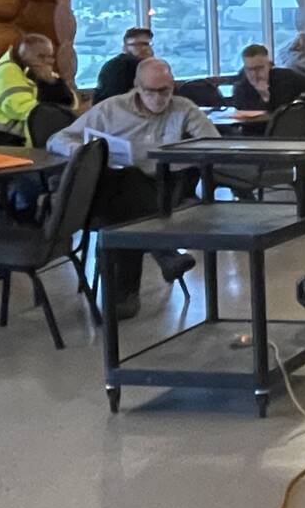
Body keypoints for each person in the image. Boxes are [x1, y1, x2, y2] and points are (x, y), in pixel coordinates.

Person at [48, 58, 212, 321]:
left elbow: (213, 146)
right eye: (151, 91)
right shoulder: (111, 109)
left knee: (123, 211)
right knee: (125, 185)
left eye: (165, 91)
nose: (159, 98)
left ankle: (124, 295)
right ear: (137, 86)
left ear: (173, 86)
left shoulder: (183, 109)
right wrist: (89, 153)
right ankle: (163, 253)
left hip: (160, 189)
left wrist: (178, 156)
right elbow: (57, 139)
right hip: (108, 191)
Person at [0, 32, 64, 146]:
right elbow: (24, 110)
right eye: (41, 56)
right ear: (24, 55)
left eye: (50, 56)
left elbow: (68, 101)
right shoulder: (7, 73)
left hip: (13, 136)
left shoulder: (33, 71)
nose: (48, 61)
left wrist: (52, 82)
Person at [231, 43, 305, 113]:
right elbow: (248, 120)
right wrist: (264, 98)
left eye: (260, 68)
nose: (255, 74)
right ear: (245, 69)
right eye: (250, 69)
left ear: (269, 66)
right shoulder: (241, 87)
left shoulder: (285, 78)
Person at [94, 27, 153, 102]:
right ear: (125, 48)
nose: (144, 48)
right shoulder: (118, 67)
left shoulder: (145, 66)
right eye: (137, 45)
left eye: (147, 44)